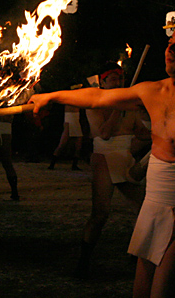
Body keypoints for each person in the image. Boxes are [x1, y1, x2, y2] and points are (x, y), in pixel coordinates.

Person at [29, 21, 175, 298]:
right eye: (170, 42)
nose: (170, 48)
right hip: (153, 210)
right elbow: (97, 97)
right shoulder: (152, 91)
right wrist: (51, 97)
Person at [70, 62, 147, 278]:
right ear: (102, 83)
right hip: (103, 157)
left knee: (144, 209)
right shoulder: (93, 104)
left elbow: (141, 132)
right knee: (100, 213)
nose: (118, 82)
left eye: (120, 78)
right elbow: (103, 133)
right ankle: (83, 262)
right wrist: (118, 108)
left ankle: (136, 256)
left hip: (125, 157)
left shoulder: (131, 103)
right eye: (113, 78)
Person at [48, 98, 84, 171]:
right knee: (62, 144)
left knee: (78, 145)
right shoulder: (69, 100)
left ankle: (74, 165)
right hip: (69, 120)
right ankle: (52, 164)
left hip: (75, 120)